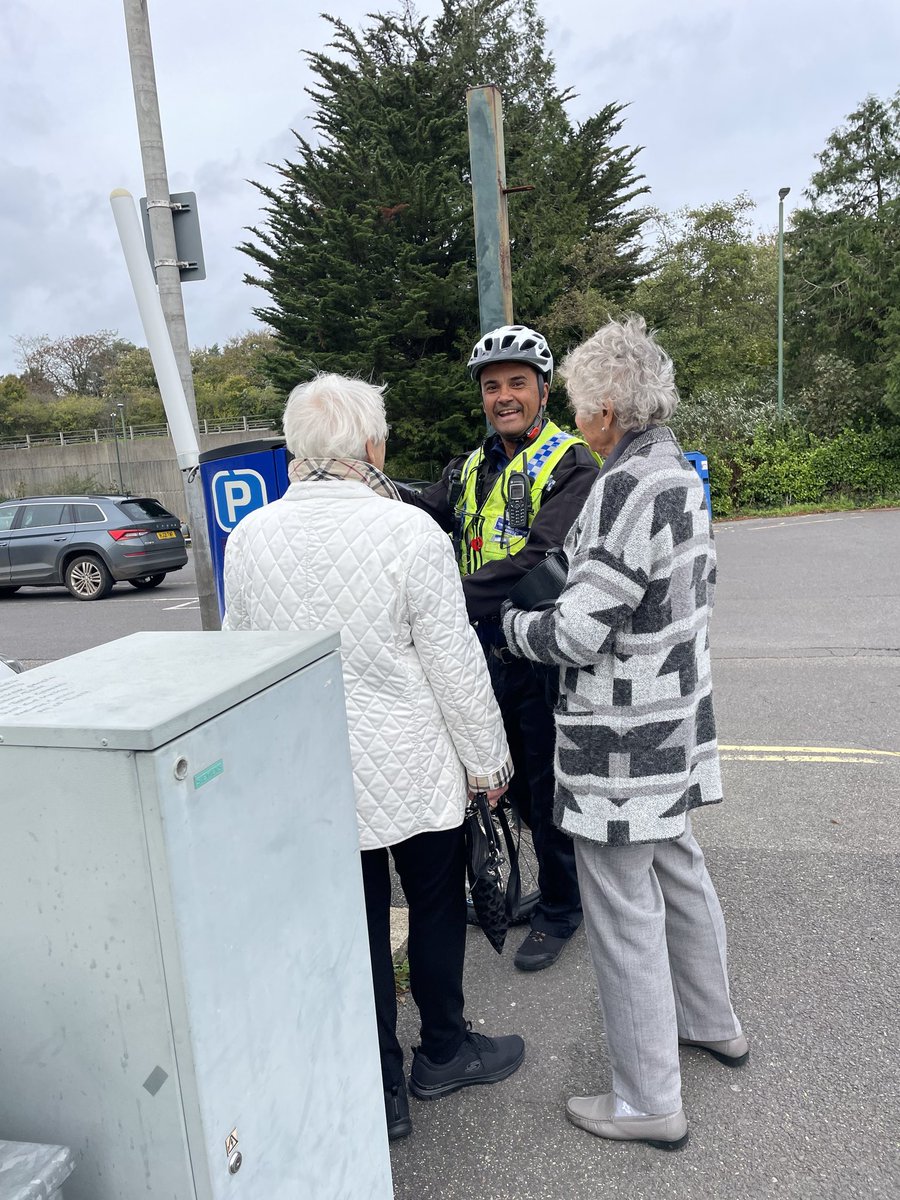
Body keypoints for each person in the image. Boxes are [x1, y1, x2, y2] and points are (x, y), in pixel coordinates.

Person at [222, 373, 525, 1143]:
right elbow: (454, 664)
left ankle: (379, 1084)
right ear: (371, 444)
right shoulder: (409, 532)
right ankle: (444, 1051)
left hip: (311, 771)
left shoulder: (250, 536)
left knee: (351, 926)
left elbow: (239, 663)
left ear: (296, 446)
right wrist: (489, 767)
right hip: (411, 764)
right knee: (434, 906)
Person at [501, 316, 747, 1151]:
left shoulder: (621, 488)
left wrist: (513, 628)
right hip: (673, 723)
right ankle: (712, 1021)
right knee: (679, 871)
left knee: (622, 912)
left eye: (578, 406)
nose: (575, 421)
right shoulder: (678, 473)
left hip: (619, 744)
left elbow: (579, 632)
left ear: (606, 410)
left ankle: (648, 1101)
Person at [402, 325, 600, 971]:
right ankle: (527, 890)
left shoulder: (571, 462)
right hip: (476, 653)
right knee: (501, 785)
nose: (504, 396)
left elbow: (542, 556)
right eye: (492, 387)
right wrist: (373, 489)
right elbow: (424, 514)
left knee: (544, 786)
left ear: (543, 390)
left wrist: (444, 601)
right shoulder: (469, 466)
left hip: (537, 654)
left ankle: (562, 907)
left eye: (517, 383)